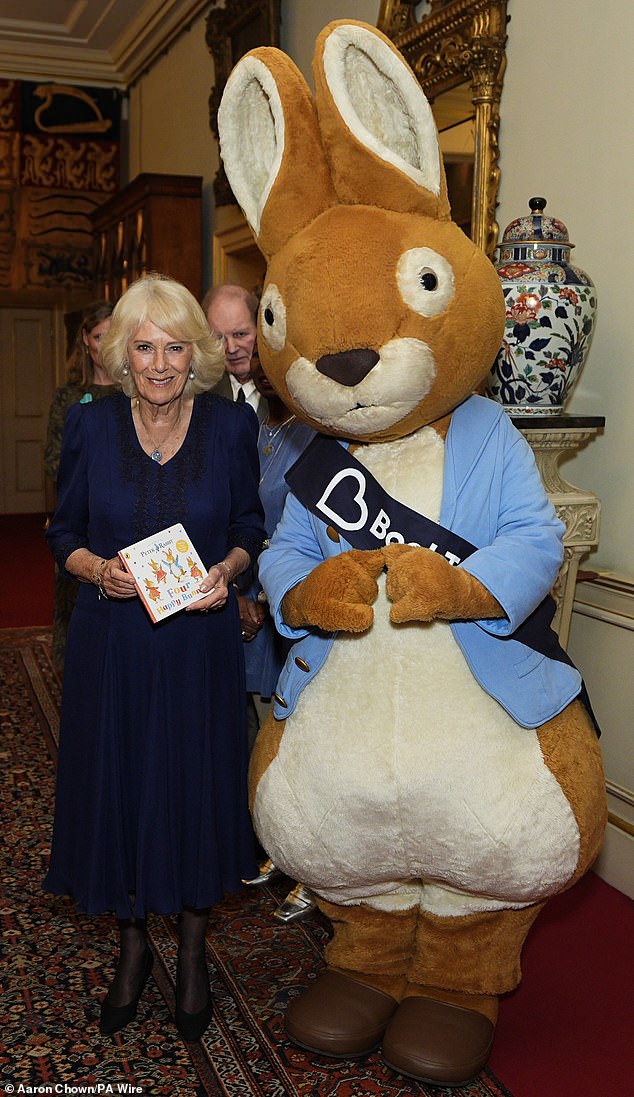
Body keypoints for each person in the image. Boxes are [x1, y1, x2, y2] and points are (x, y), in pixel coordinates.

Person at [44, 274, 265, 1042]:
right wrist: (95, 569)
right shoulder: (91, 427)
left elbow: (248, 525)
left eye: (176, 347)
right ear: (122, 353)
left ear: (196, 354)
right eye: (145, 347)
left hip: (198, 645)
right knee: (125, 784)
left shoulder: (230, 430)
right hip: (114, 646)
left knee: (194, 784)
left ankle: (195, 951)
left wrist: (227, 572)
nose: (162, 364)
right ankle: (133, 948)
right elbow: (62, 531)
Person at [237, 346, 317, 923]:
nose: (261, 370)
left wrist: (273, 589)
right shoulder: (260, 428)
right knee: (263, 734)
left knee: (299, 737)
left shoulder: (318, 435)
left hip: (296, 604)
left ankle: (313, 867)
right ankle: (275, 847)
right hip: (251, 602)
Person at [44, 300, 116, 671]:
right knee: (75, 613)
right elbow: (54, 460)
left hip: (118, 519)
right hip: (80, 520)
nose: (107, 345)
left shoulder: (136, 395)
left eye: (113, 335)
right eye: (100, 336)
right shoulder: (69, 397)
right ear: (86, 340)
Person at [202, 283, 268, 422]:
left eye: (240, 334)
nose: (231, 349)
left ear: (260, 329)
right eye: (219, 338)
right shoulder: (201, 392)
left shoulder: (284, 394)